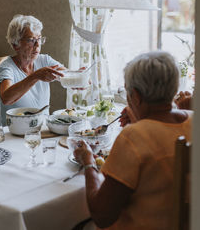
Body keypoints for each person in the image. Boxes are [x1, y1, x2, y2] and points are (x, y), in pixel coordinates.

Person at [73, 51, 193, 229]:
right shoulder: (196, 121)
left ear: (135, 96)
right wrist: (140, 120)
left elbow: (101, 215)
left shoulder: (134, 137)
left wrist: (88, 162)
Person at [0, 15, 66, 125]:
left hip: (43, 130)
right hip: (14, 134)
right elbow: (6, 98)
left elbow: (67, 75)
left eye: (39, 39)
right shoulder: (6, 67)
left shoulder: (45, 60)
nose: (37, 45)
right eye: (31, 40)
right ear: (16, 45)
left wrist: (81, 77)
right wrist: (35, 76)